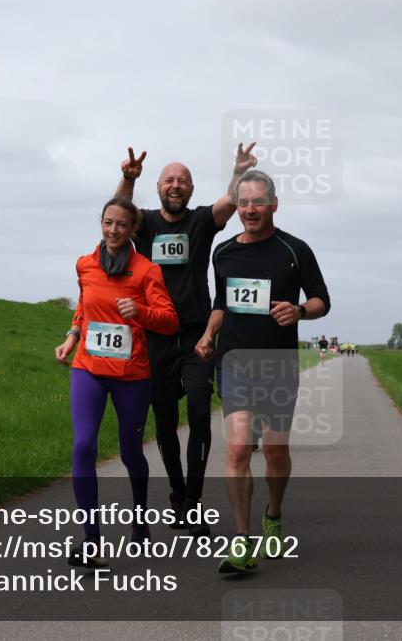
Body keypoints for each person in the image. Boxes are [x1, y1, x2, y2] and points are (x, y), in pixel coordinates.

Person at [113, 143, 257, 536]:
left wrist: (240, 170)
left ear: (191, 189)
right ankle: (176, 492)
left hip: (196, 336)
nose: (176, 186)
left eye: (183, 181)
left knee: (198, 414)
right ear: (158, 187)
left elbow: (228, 203)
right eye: (169, 180)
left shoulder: (199, 222)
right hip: (154, 337)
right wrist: (128, 178)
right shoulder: (142, 223)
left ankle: (191, 505)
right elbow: (119, 213)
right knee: (164, 423)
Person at [195, 170, 330, 574]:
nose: (250, 209)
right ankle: (242, 542)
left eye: (257, 202)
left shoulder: (295, 249)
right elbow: (222, 303)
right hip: (235, 361)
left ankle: (273, 514)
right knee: (237, 450)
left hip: (277, 363)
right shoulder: (223, 252)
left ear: (273, 204)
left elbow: (322, 299)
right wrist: (207, 335)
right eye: (243, 202)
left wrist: (300, 311)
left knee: (274, 451)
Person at [55, 198, 179, 567]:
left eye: (121, 225)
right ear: (101, 223)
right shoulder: (85, 264)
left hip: (131, 375)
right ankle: (90, 539)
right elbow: (84, 303)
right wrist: (73, 335)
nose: (113, 230)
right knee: (83, 446)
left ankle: (140, 522)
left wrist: (139, 312)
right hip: (88, 369)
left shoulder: (146, 271)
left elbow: (169, 321)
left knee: (130, 452)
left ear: (131, 229)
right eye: (108, 223)